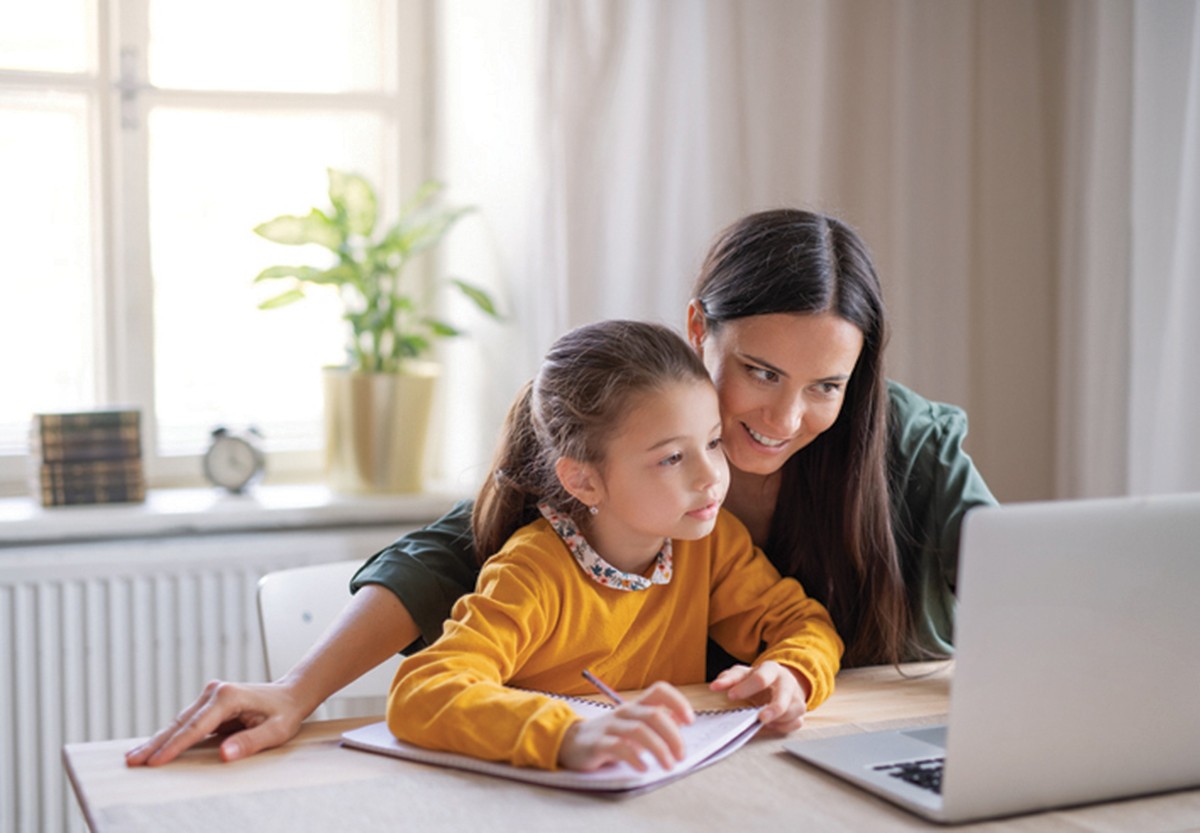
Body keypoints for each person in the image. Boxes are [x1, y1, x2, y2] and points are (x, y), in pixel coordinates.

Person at [127, 208, 995, 768]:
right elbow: (447, 558)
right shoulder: (621, 448)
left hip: (834, 757)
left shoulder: (893, 450)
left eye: (826, 387)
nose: (784, 415)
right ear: (701, 331)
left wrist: (796, 674)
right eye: (760, 371)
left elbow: (1020, 581)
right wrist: (297, 690)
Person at [386, 320, 841, 771]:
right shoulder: (532, 572)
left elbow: (804, 624)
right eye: (672, 457)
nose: (711, 476)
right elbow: (422, 692)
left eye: (713, 442)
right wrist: (568, 735)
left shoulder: (710, 544)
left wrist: (793, 674)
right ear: (583, 480)